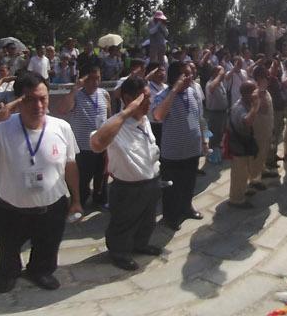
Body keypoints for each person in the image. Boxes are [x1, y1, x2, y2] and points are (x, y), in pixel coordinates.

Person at [0, 73, 80, 293]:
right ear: (18, 100)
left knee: (47, 246)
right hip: (10, 209)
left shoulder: (61, 128)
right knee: (8, 248)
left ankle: (40, 270)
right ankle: (7, 274)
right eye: (30, 99)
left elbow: (70, 164)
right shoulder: (1, 127)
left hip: (52, 207)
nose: (38, 105)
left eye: (43, 98)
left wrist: (76, 199)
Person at [88, 77, 164, 270]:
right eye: (144, 98)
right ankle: (119, 253)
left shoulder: (144, 120)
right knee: (123, 222)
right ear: (129, 98)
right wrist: (128, 110)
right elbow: (97, 143)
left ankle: (141, 244)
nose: (149, 101)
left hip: (151, 182)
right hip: (128, 187)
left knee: (147, 219)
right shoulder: (116, 125)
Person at [153, 61, 206, 229]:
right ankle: (171, 216)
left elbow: (199, 118)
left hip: (192, 148)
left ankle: (187, 207)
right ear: (176, 77)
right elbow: (158, 116)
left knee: (189, 182)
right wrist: (175, 90)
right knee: (172, 188)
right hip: (173, 152)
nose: (191, 77)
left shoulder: (193, 92)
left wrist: (205, 138)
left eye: (191, 73)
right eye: (186, 74)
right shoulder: (163, 95)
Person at [52, 65, 111, 212]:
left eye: (97, 78)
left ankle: (99, 200)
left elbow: (109, 116)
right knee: (82, 178)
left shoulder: (104, 94)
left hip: (102, 145)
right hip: (83, 146)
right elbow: (62, 109)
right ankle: (79, 202)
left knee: (102, 176)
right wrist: (75, 88)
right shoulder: (77, 96)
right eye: (90, 79)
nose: (94, 82)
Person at [227, 81, 267, 208]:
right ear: (247, 93)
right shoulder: (238, 108)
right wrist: (255, 106)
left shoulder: (248, 103)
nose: (257, 92)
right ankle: (236, 199)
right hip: (238, 144)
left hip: (245, 142)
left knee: (245, 170)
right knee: (239, 172)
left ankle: (243, 189)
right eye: (255, 91)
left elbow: (264, 110)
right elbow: (247, 121)